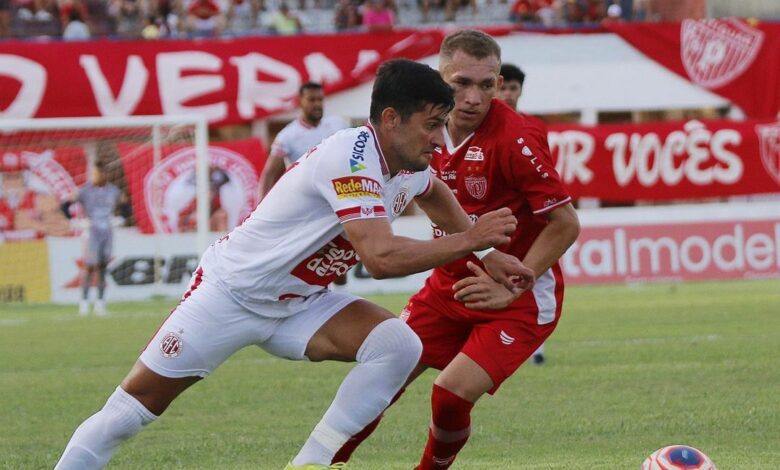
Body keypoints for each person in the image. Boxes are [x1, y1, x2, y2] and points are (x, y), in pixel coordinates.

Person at [53, 58, 531, 470]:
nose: (440, 139)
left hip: (300, 304)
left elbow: (433, 192)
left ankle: (310, 464)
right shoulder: (352, 155)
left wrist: (486, 254)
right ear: (391, 119)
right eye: (431, 124)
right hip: (230, 294)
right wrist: (472, 237)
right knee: (130, 411)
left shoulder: (408, 165)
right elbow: (381, 258)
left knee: (397, 344)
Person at [332, 30, 580, 469]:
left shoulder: (517, 138)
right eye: (460, 83)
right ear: (439, 77)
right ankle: (321, 463)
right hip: (448, 287)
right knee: (378, 380)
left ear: (498, 83)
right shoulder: (420, 128)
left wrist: (516, 285)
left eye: (487, 85)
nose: (472, 97)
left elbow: (565, 223)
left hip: (515, 297)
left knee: (449, 395)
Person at [500, 62, 548, 365]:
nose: (507, 94)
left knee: (537, 277)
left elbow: (545, 175)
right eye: (502, 87)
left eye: (513, 88)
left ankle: (537, 347)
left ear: (520, 91)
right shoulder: (477, 129)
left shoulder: (534, 127)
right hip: (498, 219)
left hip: (531, 219)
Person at [258, 82, 348, 200]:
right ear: (300, 101)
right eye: (311, 100)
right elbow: (269, 173)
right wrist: (260, 206)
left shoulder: (338, 123)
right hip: (304, 198)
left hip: (335, 193)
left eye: (320, 99)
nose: (317, 104)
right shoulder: (287, 135)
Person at [61, 164, 122, 316]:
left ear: (104, 174)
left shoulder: (113, 191)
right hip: (91, 232)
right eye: (93, 174)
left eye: (98, 174)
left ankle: (100, 304)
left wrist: (121, 218)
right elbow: (64, 205)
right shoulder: (84, 191)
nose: (95, 177)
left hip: (107, 232)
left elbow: (126, 205)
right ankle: (84, 303)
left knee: (102, 268)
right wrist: (73, 221)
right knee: (88, 267)